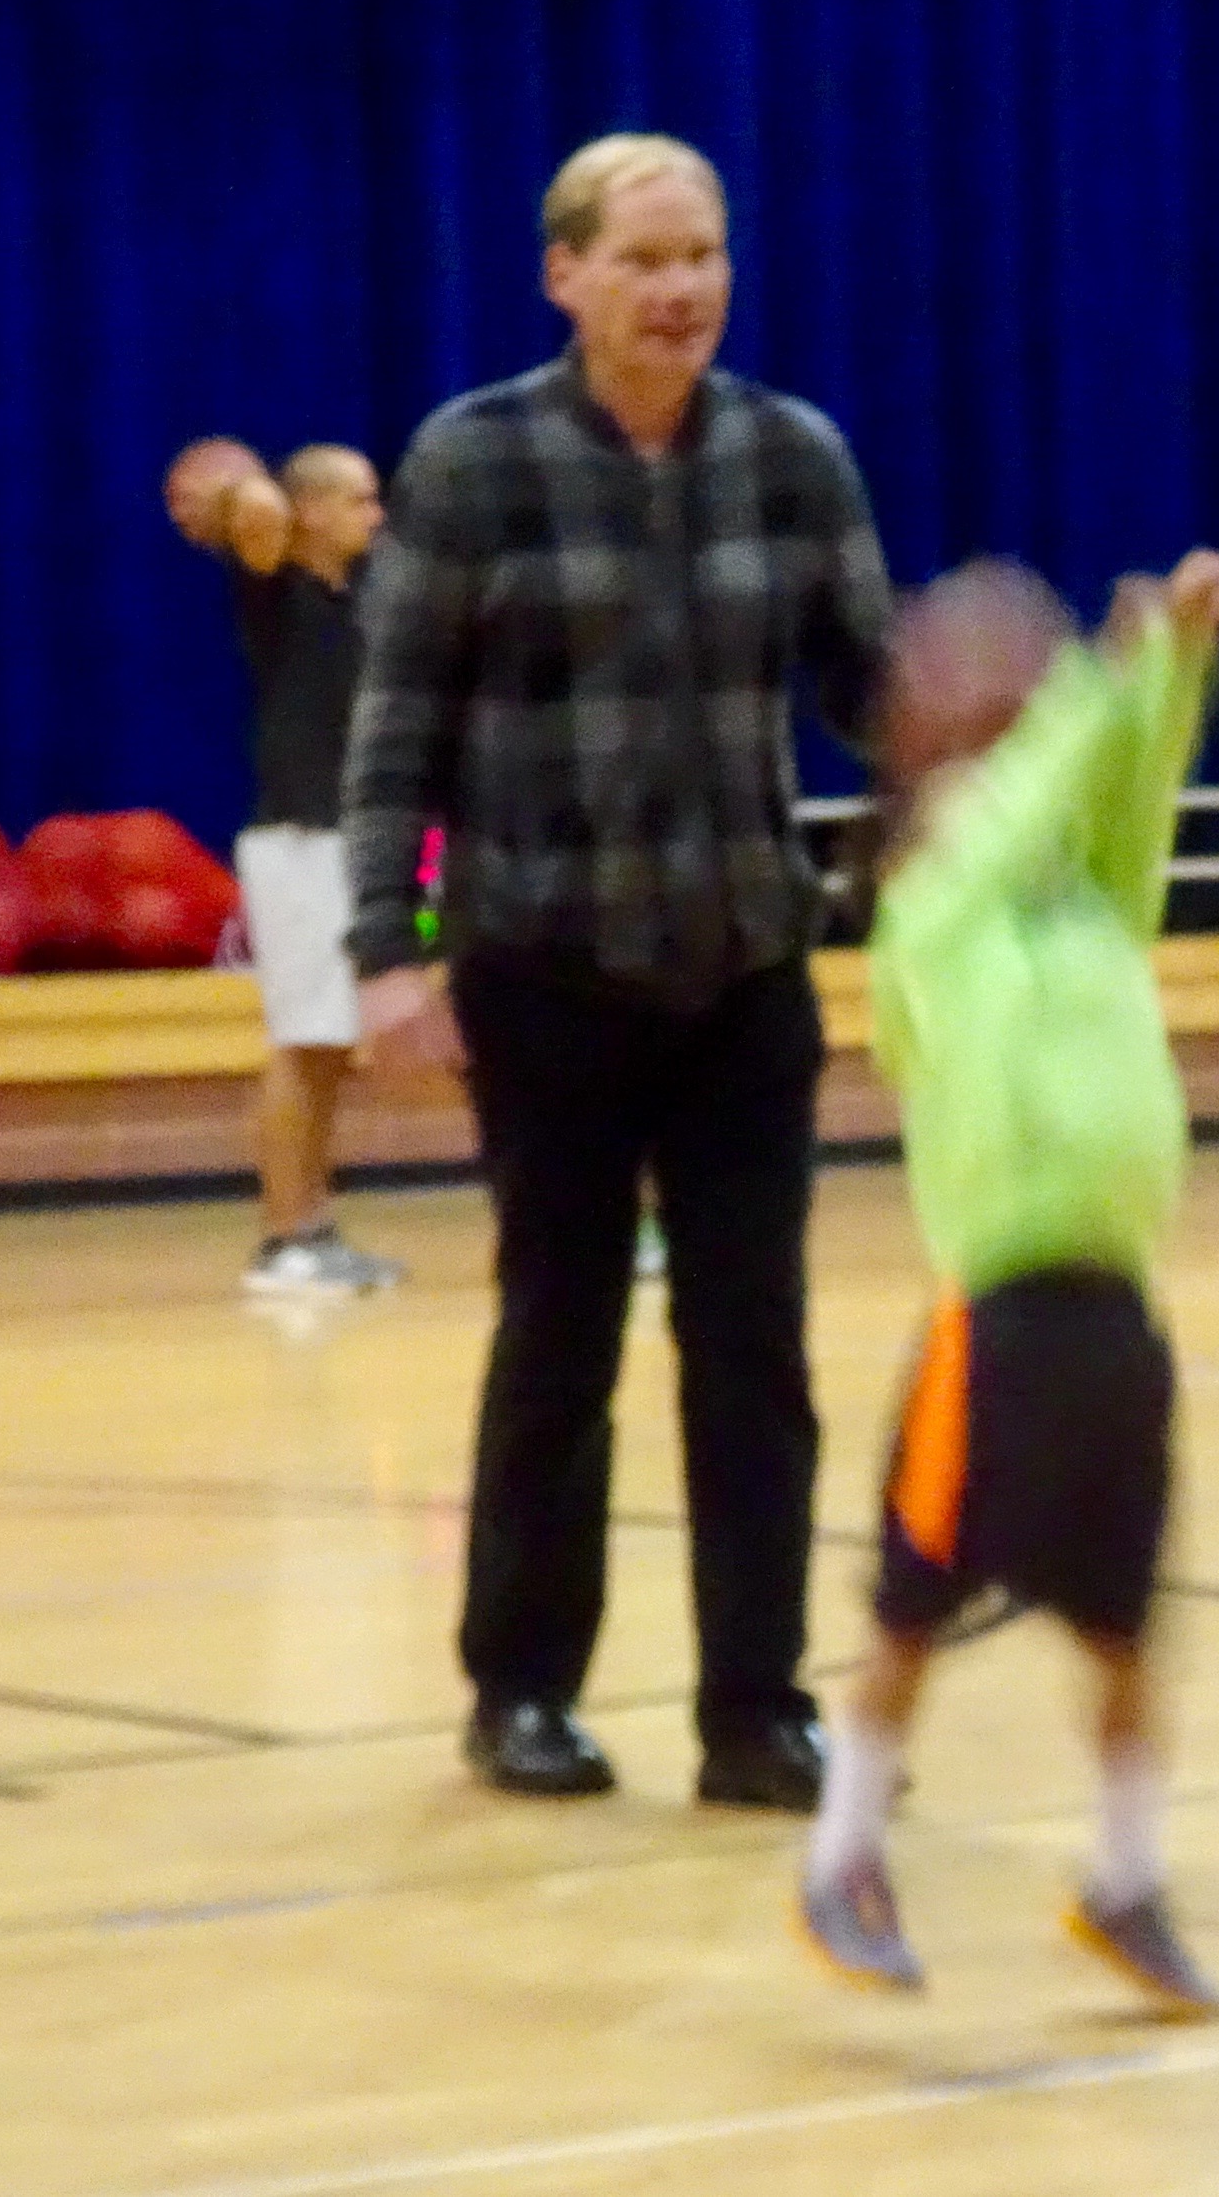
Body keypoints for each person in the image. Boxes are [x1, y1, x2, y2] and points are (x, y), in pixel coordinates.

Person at [345, 132, 898, 1809]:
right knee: (558, 1337)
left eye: (701, 255)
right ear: (564, 275)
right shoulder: (473, 460)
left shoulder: (792, 455)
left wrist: (1000, 706)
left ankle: (756, 1710)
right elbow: (398, 732)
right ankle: (521, 1688)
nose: (680, 288)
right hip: (544, 969)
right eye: (644, 258)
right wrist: (390, 950)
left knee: (755, 1350)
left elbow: (870, 693)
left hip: (743, 972)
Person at [798, 547, 1219, 2018]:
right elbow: (1041, 792)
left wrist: (1170, 672)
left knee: (1124, 1624)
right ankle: (843, 1856)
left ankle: (1126, 1881)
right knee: (911, 1612)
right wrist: (1103, 680)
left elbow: (1128, 802)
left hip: (1115, 1310)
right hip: (992, 1321)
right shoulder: (932, 906)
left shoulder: (1082, 902)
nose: (1010, 721)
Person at [174, 442, 406, 1295]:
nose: (376, 517)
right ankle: (283, 1241)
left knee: (334, 1048)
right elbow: (258, 513)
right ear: (309, 511)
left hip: (365, 845)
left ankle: (315, 1225)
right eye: (358, 500)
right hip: (303, 847)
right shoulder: (274, 584)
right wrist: (238, 486)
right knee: (305, 1041)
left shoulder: (361, 599)